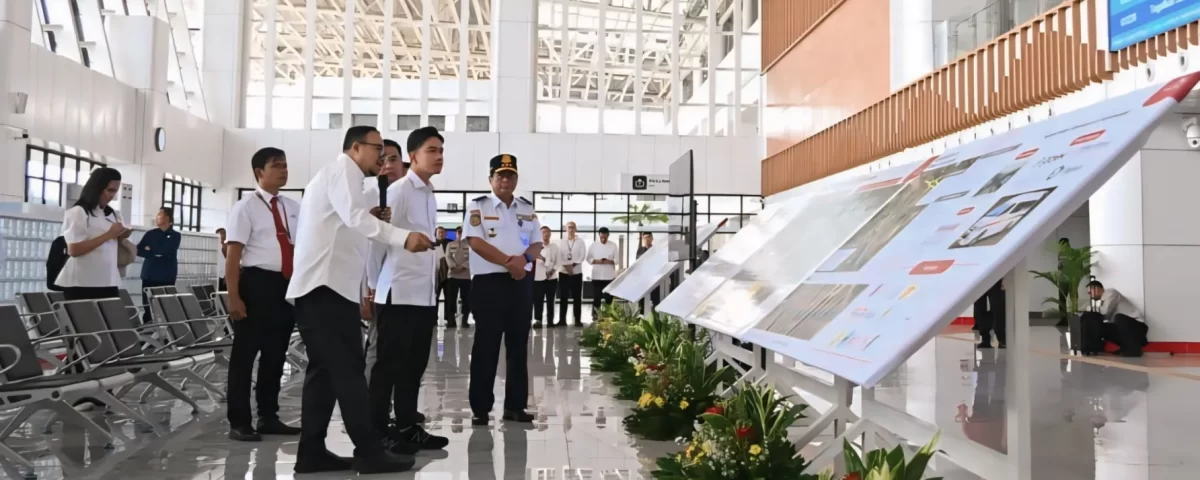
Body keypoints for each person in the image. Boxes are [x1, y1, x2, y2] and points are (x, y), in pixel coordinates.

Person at [285, 126, 434, 474]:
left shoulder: (347, 177)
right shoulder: (342, 169)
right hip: (321, 291)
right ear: (355, 147)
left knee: (323, 375)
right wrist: (402, 237)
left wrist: (371, 216)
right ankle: (369, 451)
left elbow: (348, 222)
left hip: (329, 291)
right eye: (377, 149)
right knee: (349, 371)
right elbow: (353, 216)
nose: (381, 157)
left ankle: (311, 454)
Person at [369, 126, 450, 451]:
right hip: (397, 292)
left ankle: (406, 425)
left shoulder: (428, 194)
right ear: (412, 156)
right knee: (388, 365)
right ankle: (376, 432)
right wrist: (374, 287)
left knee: (414, 366)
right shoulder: (399, 191)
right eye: (432, 150)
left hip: (424, 295)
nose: (439, 156)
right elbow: (377, 241)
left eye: (441, 150)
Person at [223, 147, 304, 443]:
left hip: (285, 286)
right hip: (256, 284)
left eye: (285, 165)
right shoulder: (245, 207)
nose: (284, 170)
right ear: (260, 172)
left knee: (275, 353)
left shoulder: (292, 206)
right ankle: (240, 421)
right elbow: (233, 256)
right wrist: (234, 296)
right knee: (245, 356)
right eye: (277, 166)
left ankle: (268, 416)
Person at [463, 154, 543, 426]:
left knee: (518, 346)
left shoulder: (527, 208)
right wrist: (510, 263)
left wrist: (524, 261)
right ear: (491, 180)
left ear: (516, 179)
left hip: (521, 283)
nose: (505, 180)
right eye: (500, 175)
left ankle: (515, 406)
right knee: (486, 345)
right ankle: (481, 408)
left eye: (510, 175)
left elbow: (536, 244)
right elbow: (475, 242)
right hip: (489, 283)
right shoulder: (478, 206)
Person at [56, 167, 128, 302]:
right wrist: (108, 234)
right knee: (86, 322)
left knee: (112, 321)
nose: (112, 195)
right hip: (82, 282)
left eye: (115, 190)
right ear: (97, 188)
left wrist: (122, 235)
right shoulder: (78, 212)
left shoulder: (113, 214)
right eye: (109, 190)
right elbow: (74, 250)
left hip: (108, 279)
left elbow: (111, 243)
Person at [1080, 280, 1148, 357]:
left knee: (1119, 318)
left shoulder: (1110, 293)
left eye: (1090, 292)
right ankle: (1124, 347)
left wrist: (1089, 308)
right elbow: (1103, 316)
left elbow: (1105, 312)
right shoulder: (1103, 300)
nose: (1090, 295)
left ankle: (1134, 349)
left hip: (1138, 327)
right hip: (1126, 329)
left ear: (1097, 289)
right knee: (1101, 327)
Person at [138, 207, 181, 323]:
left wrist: (151, 249)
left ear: (167, 218)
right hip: (149, 274)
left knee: (166, 305)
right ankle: (148, 329)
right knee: (148, 305)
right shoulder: (150, 234)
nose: (157, 217)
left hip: (166, 275)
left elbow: (166, 250)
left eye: (160, 214)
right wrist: (152, 253)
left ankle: (167, 331)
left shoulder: (175, 235)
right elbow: (139, 249)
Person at [556, 222, 586, 327]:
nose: (571, 229)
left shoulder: (580, 241)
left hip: (576, 273)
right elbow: (559, 256)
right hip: (563, 273)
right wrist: (566, 266)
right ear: (566, 229)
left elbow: (582, 256)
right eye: (569, 227)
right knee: (563, 298)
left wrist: (572, 265)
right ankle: (562, 320)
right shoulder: (561, 242)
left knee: (577, 298)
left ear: (576, 229)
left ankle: (577, 320)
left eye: (573, 227)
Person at [443, 226, 472, 327]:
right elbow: (448, 256)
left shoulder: (470, 245)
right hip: (452, 276)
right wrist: (453, 267)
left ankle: (465, 320)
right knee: (451, 299)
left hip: (466, 276)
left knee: (467, 299)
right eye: (458, 232)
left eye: (462, 232)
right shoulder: (450, 244)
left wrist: (463, 267)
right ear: (456, 233)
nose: (460, 234)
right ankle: (451, 321)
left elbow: (471, 258)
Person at [532, 226, 559, 328]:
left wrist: (552, 271)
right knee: (538, 300)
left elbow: (558, 262)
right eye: (543, 232)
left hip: (551, 278)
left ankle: (550, 321)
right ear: (540, 234)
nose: (546, 234)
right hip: (538, 278)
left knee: (550, 300)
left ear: (550, 234)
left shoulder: (555, 247)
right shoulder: (536, 247)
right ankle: (538, 320)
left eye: (548, 232)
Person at [587, 227, 618, 312]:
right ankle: (595, 316)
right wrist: (596, 261)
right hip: (596, 276)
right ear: (599, 236)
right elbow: (588, 258)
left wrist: (609, 261)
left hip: (609, 276)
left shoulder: (613, 245)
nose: (603, 239)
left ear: (608, 236)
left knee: (608, 298)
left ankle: (609, 316)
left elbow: (617, 260)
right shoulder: (593, 245)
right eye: (602, 237)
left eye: (605, 237)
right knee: (597, 297)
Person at [974, 280, 1006, 349]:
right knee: (980, 311)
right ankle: (985, 339)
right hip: (978, 280)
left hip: (996, 278)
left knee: (999, 310)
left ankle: (1002, 339)